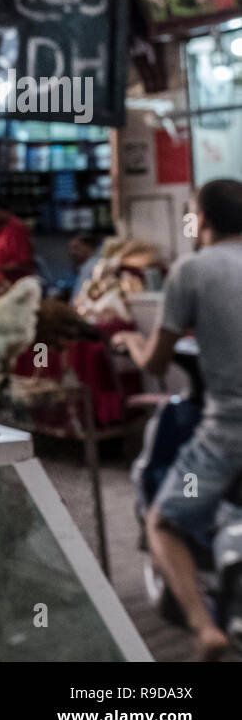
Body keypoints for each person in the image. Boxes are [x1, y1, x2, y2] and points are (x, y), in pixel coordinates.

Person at [115, 178, 242, 660]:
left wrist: (128, 341)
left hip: (227, 432)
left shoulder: (191, 270)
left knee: (164, 522)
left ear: (202, 220)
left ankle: (203, 626)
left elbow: (154, 364)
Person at [68, 233, 100, 306]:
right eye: (70, 248)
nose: (72, 252)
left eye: (76, 247)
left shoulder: (95, 267)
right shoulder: (83, 267)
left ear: (90, 248)